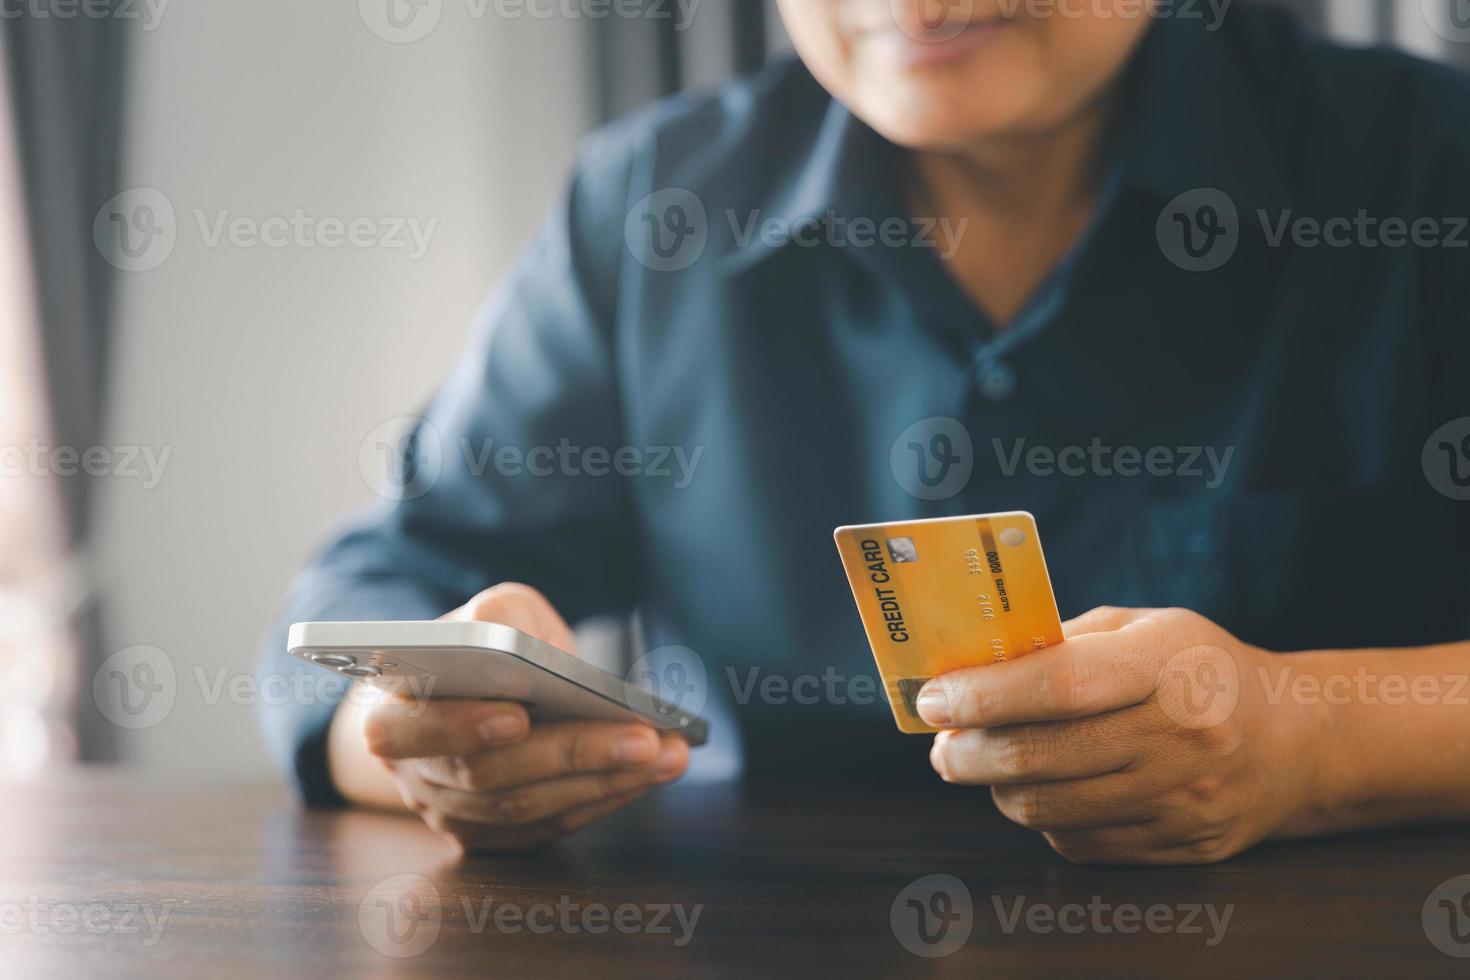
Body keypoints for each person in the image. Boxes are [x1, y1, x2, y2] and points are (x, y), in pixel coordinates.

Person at [259, 0, 1470, 863]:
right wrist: (424, 741)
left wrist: (1316, 737)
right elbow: (385, 587)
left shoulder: (1428, 167)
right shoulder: (649, 205)